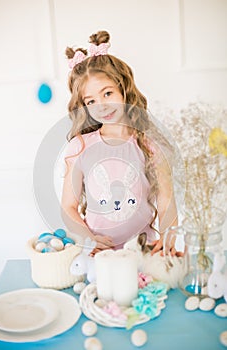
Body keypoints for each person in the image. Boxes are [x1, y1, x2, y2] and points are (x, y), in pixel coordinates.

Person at [61, 30, 178, 256]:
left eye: (107, 94)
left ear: (123, 89)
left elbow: (165, 200)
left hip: (143, 251)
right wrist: (88, 239)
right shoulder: (80, 147)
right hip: (98, 253)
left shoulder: (149, 144)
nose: (101, 106)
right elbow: (68, 207)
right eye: (91, 101)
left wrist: (168, 234)